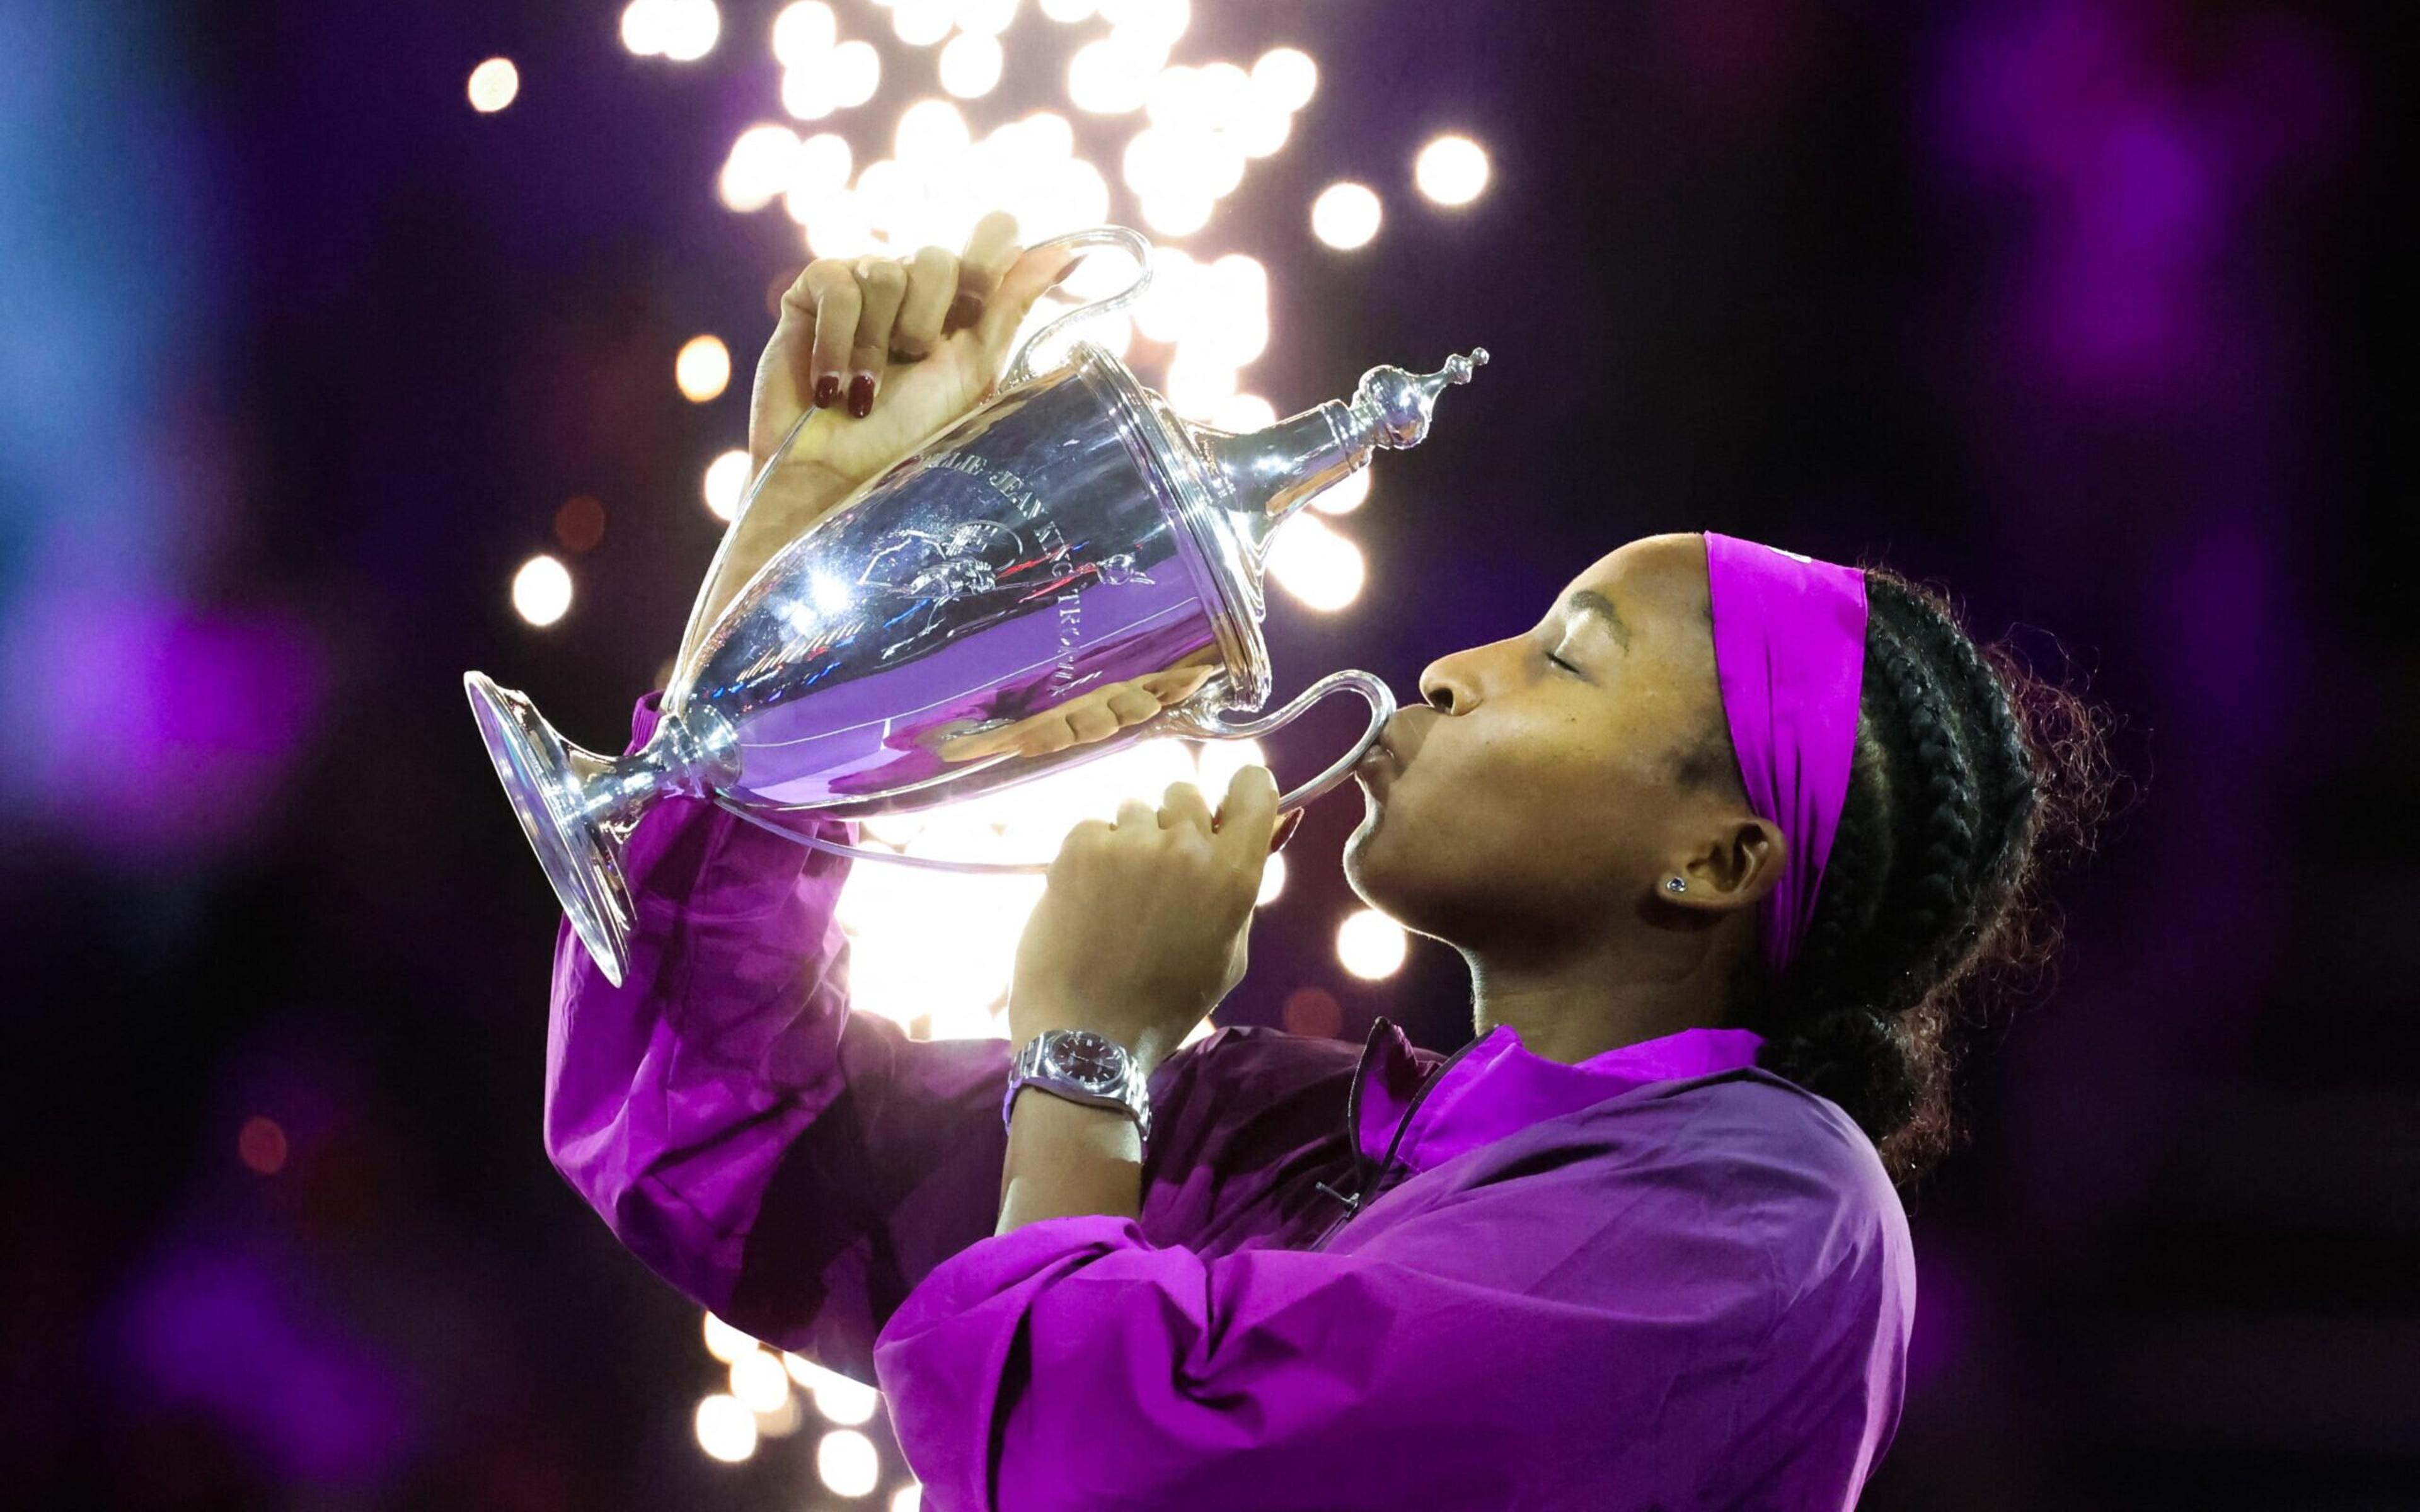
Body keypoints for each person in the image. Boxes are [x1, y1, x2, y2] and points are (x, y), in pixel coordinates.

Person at [541, 212, 2110, 1509]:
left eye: (1566, 660)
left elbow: (1102, 1480)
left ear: (1717, 857)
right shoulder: (1298, 1136)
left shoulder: (1770, 1218)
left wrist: (1087, 1060)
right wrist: (819, 529)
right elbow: (719, 1147)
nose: (1453, 671)